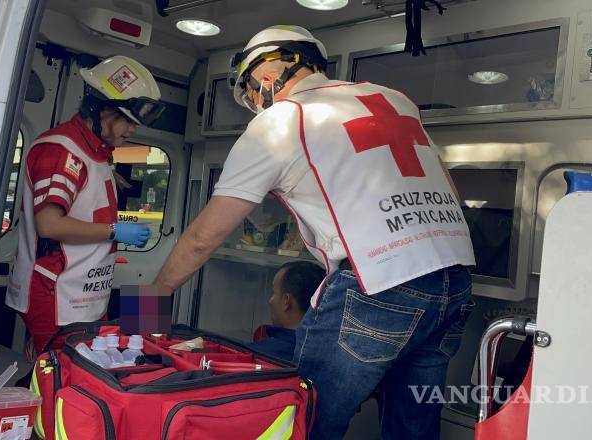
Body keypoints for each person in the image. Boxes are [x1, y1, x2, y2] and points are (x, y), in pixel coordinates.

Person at [149, 25, 476, 439]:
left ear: (264, 78)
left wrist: (144, 307)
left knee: (306, 421)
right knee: (413, 428)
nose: (255, 105)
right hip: (455, 279)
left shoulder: (282, 120)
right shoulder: (394, 100)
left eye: (250, 95)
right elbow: (449, 190)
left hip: (381, 283)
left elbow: (203, 237)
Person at [7, 55, 165, 355]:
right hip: (55, 295)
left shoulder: (97, 153)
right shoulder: (61, 150)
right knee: (61, 375)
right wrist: (114, 231)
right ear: (101, 110)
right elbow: (49, 225)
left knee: (85, 373)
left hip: (83, 294)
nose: (132, 131)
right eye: (127, 121)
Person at [248, 261, 326, 361]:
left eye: (274, 292)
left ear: (286, 301)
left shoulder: (256, 355)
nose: (270, 301)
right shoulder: (328, 355)